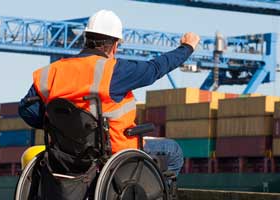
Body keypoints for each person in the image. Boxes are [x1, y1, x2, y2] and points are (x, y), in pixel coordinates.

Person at [19, 9, 200, 176]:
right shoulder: (114, 71)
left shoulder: (50, 72)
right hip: (114, 152)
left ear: (85, 39)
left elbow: (28, 110)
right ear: (114, 46)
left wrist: (66, 129)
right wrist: (187, 47)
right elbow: (156, 68)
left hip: (64, 154)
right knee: (172, 150)